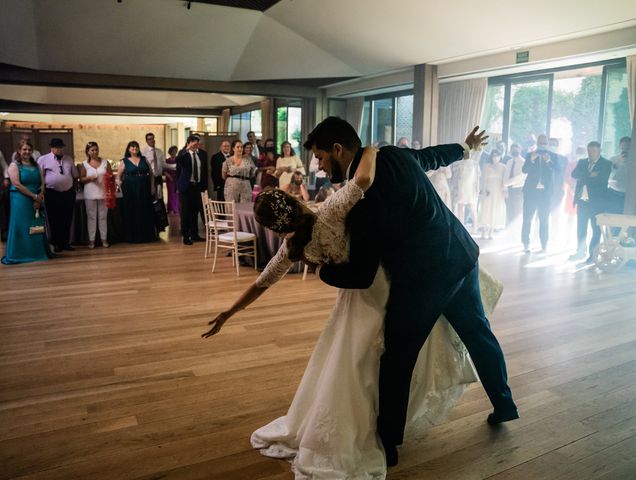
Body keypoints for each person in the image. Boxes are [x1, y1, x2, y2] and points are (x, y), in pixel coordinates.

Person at [202, 146, 500, 478]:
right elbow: (362, 181)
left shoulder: (293, 248)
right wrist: (371, 149)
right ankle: (389, 428)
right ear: (294, 201)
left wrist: (230, 312)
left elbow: (263, 281)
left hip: (356, 301)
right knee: (388, 360)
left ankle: (380, 433)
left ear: (274, 227)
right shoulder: (330, 210)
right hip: (384, 287)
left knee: (362, 363)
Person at [303, 117, 517, 468]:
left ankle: (388, 443)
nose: (320, 166)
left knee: (397, 358)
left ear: (338, 150)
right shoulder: (391, 155)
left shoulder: (360, 198)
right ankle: (504, 403)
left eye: (321, 157)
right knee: (479, 334)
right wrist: (464, 149)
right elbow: (429, 156)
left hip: (424, 278)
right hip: (461, 254)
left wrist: (319, 268)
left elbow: (361, 275)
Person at [2, 141, 48, 265]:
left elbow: (42, 182)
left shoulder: (36, 165)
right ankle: (20, 254)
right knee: (22, 225)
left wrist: (40, 196)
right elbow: (16, 184)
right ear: (19, 151)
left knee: (35, 225)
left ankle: (36, 253)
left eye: (29, 149)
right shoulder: (14, 165)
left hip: (36, 197)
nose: (27, 152)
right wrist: (34, 196)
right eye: (24, 149)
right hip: (20, 199)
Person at [570, 141, 611, 263]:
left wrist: (584, 175)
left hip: (597, 203)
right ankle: (580, 252)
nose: (591, 154)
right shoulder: (582, 162)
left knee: (596, 230)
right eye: (589, 151)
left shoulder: (606, 163)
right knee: (581, 228)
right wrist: (590, 174)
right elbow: (573, 174)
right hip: (582, 201)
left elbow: (601, 180)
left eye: (593, 151)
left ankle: (592, 255)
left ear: (599, 151)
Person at [38, 138, 78, 253]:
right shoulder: (43, 159)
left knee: (67, 218)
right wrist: (42, 192)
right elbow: (40, 176)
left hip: (68, 193)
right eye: (57, 147)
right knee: (54, 219)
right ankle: (55, 243)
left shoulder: (68, 159)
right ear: (52, 148)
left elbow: (75, 175)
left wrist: (73, 190)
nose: (60, 149)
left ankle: (65, 243)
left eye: (61, 147)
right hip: (52, 193)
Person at [521, 135, 558, 253]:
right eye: (540, 142)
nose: (542, 144)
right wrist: (531, 160)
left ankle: (544, 244)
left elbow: (556, 170)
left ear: (547, 143)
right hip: (530, 193)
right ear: (537, 143)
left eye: (544, 142)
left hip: (545, 194)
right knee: (527, 219)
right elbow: (524, 170)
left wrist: (548, 161)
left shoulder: (553, 156)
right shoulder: (529, 155)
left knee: (544, 219)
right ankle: (526, 243)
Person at [116, 141, 157, 243]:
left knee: (145, 210)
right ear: (128, 149)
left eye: (136, 147)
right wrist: (120, 187)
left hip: (144, 188)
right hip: (130, 190)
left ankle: (146, 236)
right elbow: (118, 177)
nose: (134, 149)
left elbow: (151, 174)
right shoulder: (124, 161)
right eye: (132, 147)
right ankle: (132, 236)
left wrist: (152, 187)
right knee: (132, 211)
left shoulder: (144, 159)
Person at [176, 135, 208, 245]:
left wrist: (204, 188)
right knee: (185, 212)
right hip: (186, 186)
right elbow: (178, 162)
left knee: (195, 212)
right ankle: (185, 236)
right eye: (194, 143)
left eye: (197, 143)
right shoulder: (183, 153)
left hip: (197, 186)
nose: (196, 146)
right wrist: (187, 149)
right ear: (189, 143)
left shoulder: (202, 154)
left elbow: (204, 171)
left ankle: (195, 234)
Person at [78, 142, 111, 248]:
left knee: (103, 217)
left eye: (96, 149)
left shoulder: (105, 162)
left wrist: (109, 180)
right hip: (90, 193)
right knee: (91, 217)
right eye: (92, 150)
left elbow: (110, 176)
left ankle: (104, 239)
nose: (95, 152)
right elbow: (81, 179)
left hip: (103, 193)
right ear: (87, 151)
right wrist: (89, 178)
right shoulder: (84, 164)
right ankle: (91, 240)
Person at [478, 149, 507, 239]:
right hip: (488, 190)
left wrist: (505, 191)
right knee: (485, 209)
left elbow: (504, 181)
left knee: (495, 210)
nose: (495, 158)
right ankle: (483, 231)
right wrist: (483, 190)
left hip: (498, 191)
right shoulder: (487, 166)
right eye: (493, 156)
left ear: (500, 157)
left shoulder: (503, 167)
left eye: (497, 156)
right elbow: (483, 179)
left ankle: (491, 232)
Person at [451, 150, 480, 232]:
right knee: (461, 207)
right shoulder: (459, 164)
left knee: (472, 207)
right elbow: (457, 177)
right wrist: (455, 187)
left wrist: (477, 188)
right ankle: (462, 226)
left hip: (470, 188)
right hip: (461, 187)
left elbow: (477, 178)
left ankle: (475, 227)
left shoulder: (475, 164)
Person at [607, 136, 630, 214]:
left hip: (629, 195)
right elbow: (606, 175)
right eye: (623, 147)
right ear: (620, 146)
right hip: (614, 193)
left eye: (627, 147)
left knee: (627, 220)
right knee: (612, 218)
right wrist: (617, 165)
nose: (625, 149)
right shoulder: (613, 159)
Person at [504, 143, 525, 224]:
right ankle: (509, 231)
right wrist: (505, 187)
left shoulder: (523, 162)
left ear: (520, 150)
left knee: (517, 211)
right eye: (513, 149)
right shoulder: (509, 162)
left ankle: (516, 232)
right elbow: (506, 175)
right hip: (509, 190)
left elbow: (519, 178)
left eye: (516, 149)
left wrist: (506, 183)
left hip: (518, 190)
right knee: (509, 211)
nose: (514, 150)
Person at [142, 132, 165, 200]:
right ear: (146, 141)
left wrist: (174, 166)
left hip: (158, 177)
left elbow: (163, 164)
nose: (152, 140)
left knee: (159, 196)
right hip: (149, 177)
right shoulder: (143, 153)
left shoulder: (159, 151)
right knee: (150, 196)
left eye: (153, 138)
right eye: (149, 139)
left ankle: (159, 210)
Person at [164, 146, 180, 214]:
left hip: (177, 178)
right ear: (170, 152)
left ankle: (177, 208)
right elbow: (164, 170)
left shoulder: (178, 160)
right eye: (173, 151)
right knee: (171, 193)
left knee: (177, 193)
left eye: (175, 151)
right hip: (169, 179)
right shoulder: (166, 160)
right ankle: (170, 208)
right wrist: (169, 176)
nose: (174, 152)